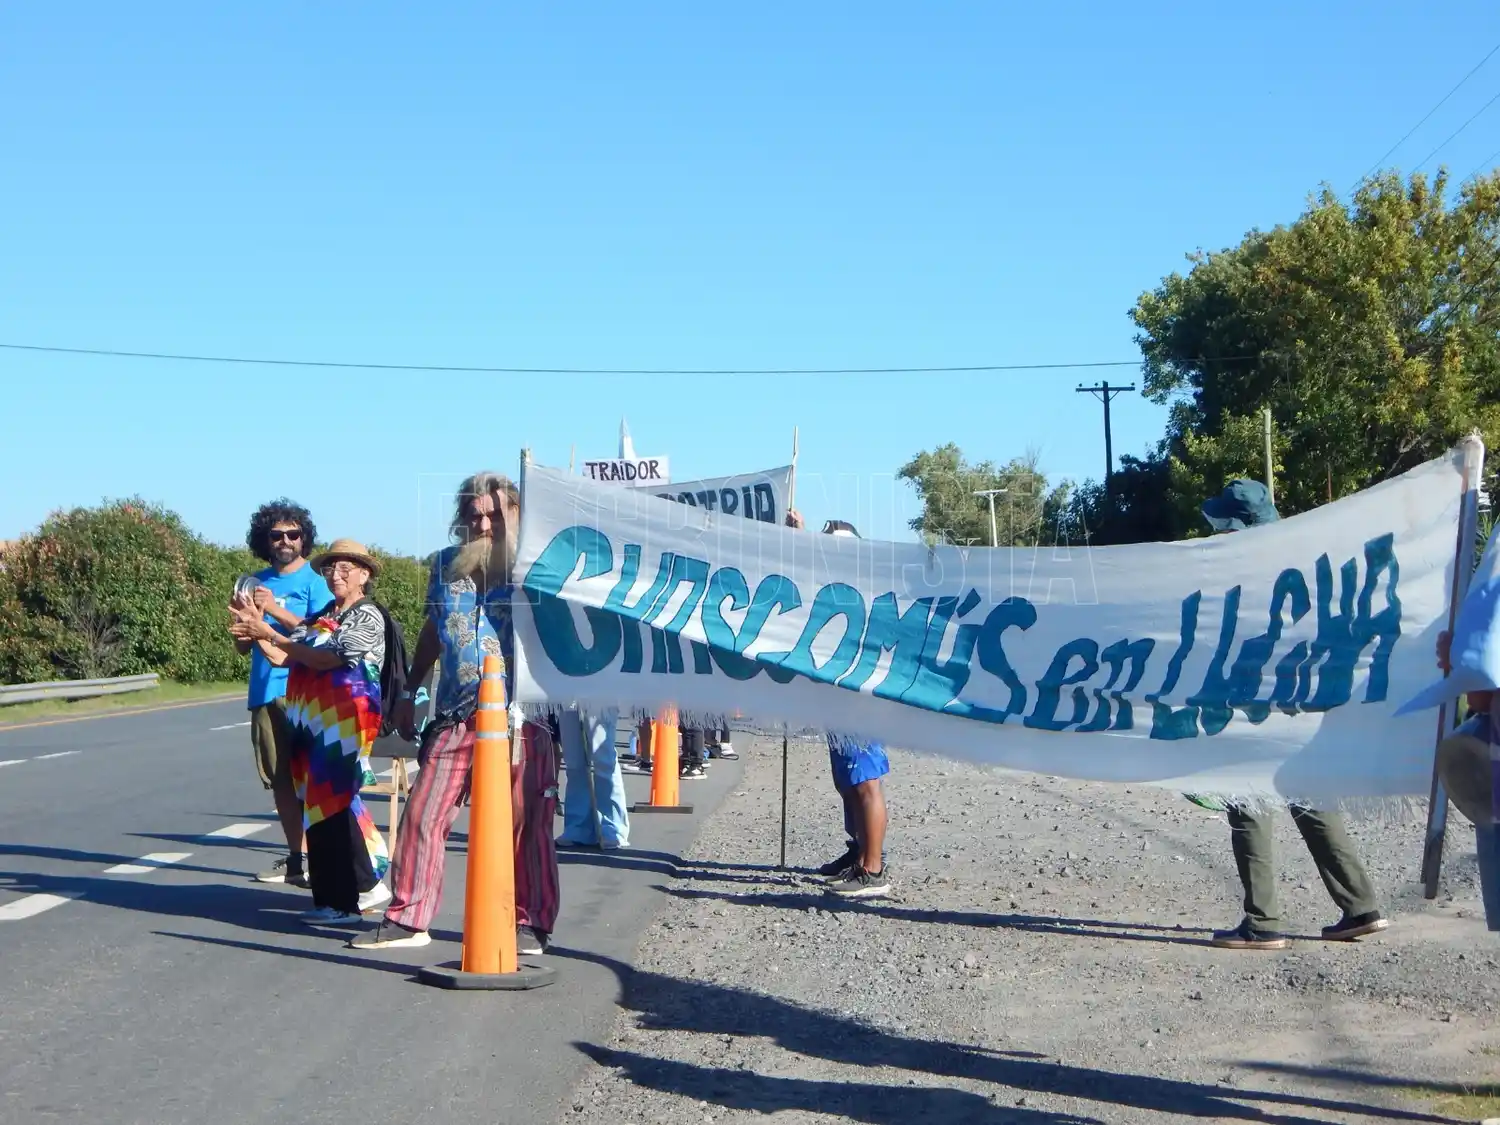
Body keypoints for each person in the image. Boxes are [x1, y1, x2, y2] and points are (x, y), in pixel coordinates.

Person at [352, 472, 561, 954]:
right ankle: (408, 918)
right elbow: (434, 626)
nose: (484, 523)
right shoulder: (445, 567)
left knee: (526, 822)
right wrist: (408, 690)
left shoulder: (541, 567)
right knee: (423, 813)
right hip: (454, 712)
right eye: (474, 515)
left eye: (495, 513)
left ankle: (530, 922)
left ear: (517, 513)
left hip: (522, 717)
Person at [1199, 480, 1389, 949]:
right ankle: (1361, 907)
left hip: (1255, 702)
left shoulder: (1242, 568)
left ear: (1236, 525)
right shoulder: (1303, 559)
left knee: (1247, 806)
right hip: (1302, 699)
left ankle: (1262, 923)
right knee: (1312, 800)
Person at [230, 538, 392, 925]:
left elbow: (327, 657)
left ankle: (351, 896)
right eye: (331, 568)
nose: (336, 574)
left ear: (364, 575)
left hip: (345, 722)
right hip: (313, 721)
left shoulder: (367, 616)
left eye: (346, 568)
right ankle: (343, 893)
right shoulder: (326, 614)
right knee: (319, 805)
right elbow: (290, 654)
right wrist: (255, 632)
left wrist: (269, 631)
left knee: (334, 803)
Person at [786, 509, 892, 900]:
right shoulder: (836, 585)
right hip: (840, 697)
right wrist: (797, 535)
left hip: (859, 699)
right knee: (847, 781)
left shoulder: (865, 591)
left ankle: (873, 868)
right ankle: (859, 851)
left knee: (864, 782)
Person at [235, 500, 332, 889]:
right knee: (281, 783)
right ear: (265, 540)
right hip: (264, 692)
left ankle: (326, 858)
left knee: (313, 780)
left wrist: (272, 610)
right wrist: (246, 623)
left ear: (304, 538)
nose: (285, 541)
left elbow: (325, 633)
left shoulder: (316, 582)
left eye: (293, 534)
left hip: (304, 691)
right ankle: (298, 860)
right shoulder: (251, 582)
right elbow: (243, 646)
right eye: (277, 535)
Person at [557, 707, 631, 849]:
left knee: (603, 758)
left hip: (597, 692)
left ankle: (613, 828)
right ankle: (577, 827)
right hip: (566, 692)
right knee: (574, 760)